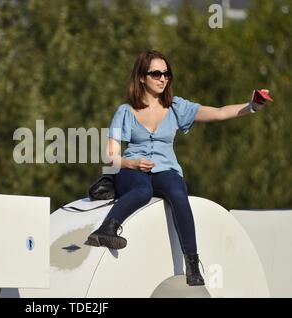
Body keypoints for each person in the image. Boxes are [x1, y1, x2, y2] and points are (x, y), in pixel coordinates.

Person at [85, 50, 271, 286]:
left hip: (166, 169)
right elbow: (110, 156)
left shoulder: (176, 107)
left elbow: (219, 112)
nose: (163, 78)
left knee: (178, 194)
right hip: (131, 169)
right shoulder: (125, 111)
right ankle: (106, 230)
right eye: (156, 73)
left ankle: (192, 264)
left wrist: (251, 105)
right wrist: (132, 163)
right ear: (141, 77)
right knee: (142, 192)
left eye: (166, 73)